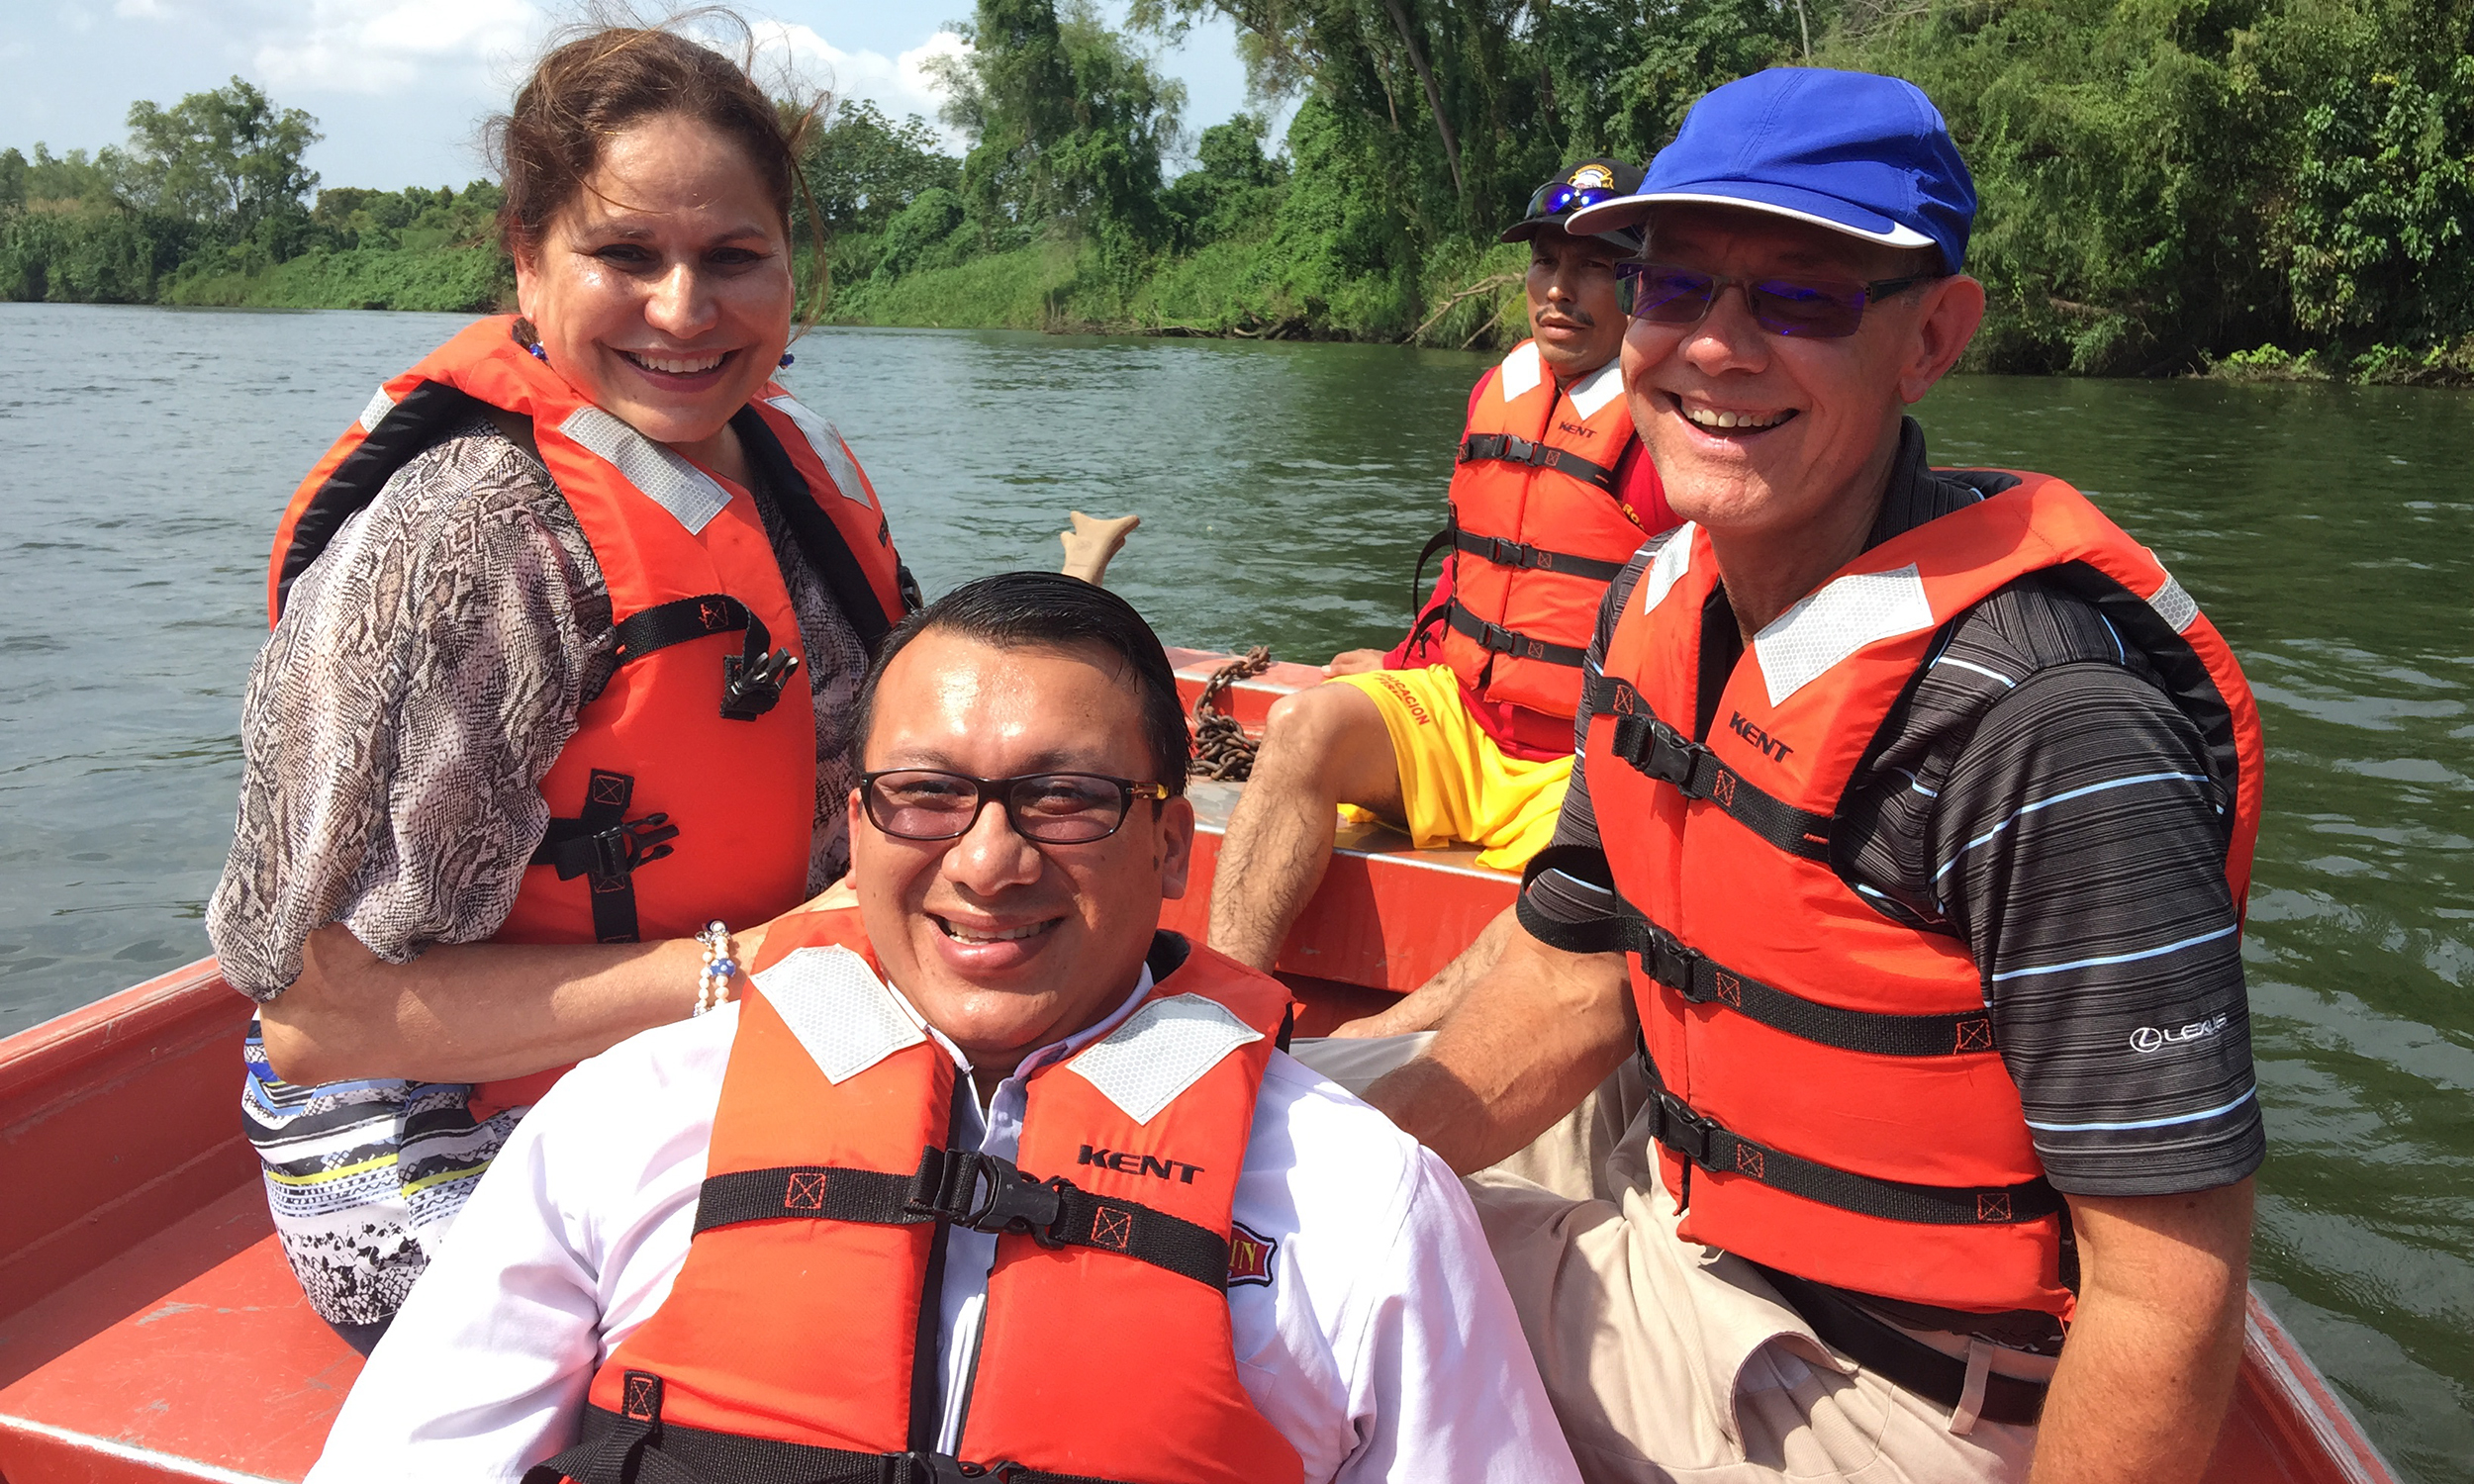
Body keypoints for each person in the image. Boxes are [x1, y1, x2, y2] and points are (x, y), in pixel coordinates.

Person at [1358, 68, 2269, 1483]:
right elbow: (1578, 966)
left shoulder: (2049, 726)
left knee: (1274, 1286)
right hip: (1705, 1209)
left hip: (1878, 1394)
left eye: (1801, 299)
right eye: (1677, 289)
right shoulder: (1661, 601)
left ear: (1932, 339)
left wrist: (1304, 1224)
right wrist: (1329, 1155)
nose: (1718, 349)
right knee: (1263, 1154)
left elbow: (2166, 1289)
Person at [302, 572, 1583, 1484]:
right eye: (924, 796)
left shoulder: (1366, 1209)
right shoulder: (624, 1123)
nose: (988, 862)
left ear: (1170, 842)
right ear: (854, 828)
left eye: (1066, 800)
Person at [207, 20, 917, 1350]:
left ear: (793, 264)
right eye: (626, 255)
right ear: (528, 259)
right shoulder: (469, 536)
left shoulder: (792, 463)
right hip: (431, 1142)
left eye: (733, 258)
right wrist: (745, 968)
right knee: (861, 1337)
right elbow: (319, 1021)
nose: (684, 310)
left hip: (736, 1046)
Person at [1207, 158, 1676, 1003]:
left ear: (1645, 284)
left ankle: (1380, 1056)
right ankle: (1226, 1008)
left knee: (1584, 890)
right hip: (1465, 717)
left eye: (1597, 266)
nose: (1560, 290)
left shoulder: (1667, 427)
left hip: (1578, 760)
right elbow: (1478, 565)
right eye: (1545, 262)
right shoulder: (1499, 391)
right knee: (1303, 725)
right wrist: (1401, 661)